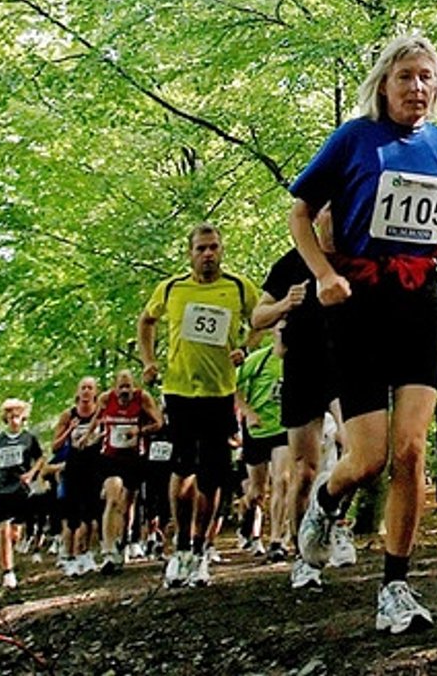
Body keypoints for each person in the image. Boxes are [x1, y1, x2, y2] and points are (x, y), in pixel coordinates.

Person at [288, 33, 437, 634]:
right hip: (357, 302)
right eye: (406, 77)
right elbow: (300, 208)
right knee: (370, 457)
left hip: (419, 302)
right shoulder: (354, 138)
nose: (417, 88)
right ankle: (328, 500)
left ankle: (395, 587)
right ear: (384, 83)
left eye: (427, 77)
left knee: (411, 448)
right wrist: (323, 273)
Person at [139, 223, 259, 589]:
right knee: (181, 469)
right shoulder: (173, 288)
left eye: (213, 247)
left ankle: (200, 549)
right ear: (190, 253)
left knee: (211, 476)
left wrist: (248, 346)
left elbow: (264, 317)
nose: (208, 254)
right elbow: (146, 320)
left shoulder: (239, 287)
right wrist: (148, 360)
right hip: (179, 392)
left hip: (220, 393)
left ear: (222, 250)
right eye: (201, 249)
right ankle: (180, 548)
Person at [253, 243, 349, 592]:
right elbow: (257, 317)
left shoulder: (355, 253)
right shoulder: (291, 263)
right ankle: (303, 558)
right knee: (305, 471)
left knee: (356, 450)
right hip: (301, 371)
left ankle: (331, 519)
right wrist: (283, 304)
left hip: (344, 368)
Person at [234, 325, 294, 564]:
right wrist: (247, 412)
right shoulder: (259, 359)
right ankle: (245, 517)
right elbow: (232, 385)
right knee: (257, 493)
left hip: (285, 428)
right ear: (272, 333)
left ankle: (277, 539)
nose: (284, 333)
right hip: (257, 431)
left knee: (283, 480)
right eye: (280, 329)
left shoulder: (299, 360)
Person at [94, 368, 163, 571]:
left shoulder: (143, 398)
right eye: (121, 387)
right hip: (110, 457)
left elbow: (158, 423)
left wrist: (139, 431)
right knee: (113, 498)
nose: (125, 392)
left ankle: (122, 543)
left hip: (134, 459)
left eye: (128, 387)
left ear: (133, 386)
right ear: (115, 388)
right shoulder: (106, 399)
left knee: (126, 506)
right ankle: (108, 551)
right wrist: (88, 436)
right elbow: (96, 420)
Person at [0, 398, 45, 591]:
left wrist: (32, 473)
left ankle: (15, 542)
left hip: (21, 487)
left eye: (17, 413)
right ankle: (7, 572)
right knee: (3, 529)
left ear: (23, 416)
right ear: (5, 417)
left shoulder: (29, 439)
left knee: (15, 532)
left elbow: (41, 458)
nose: (13, 417)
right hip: (2, 486)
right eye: (9, 413)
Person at [53, 376, 104, 577]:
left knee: (91, 514)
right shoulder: (69, 415)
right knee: (72, 516)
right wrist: (69, 431)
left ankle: (86, 553)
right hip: (73, 468)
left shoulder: (100, 415)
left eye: (90, 388)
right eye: (83, 387)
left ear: (95, 392)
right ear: (78, 391)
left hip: (94, 467)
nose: (86, 391)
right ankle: (69, 556)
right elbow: (55, 446)